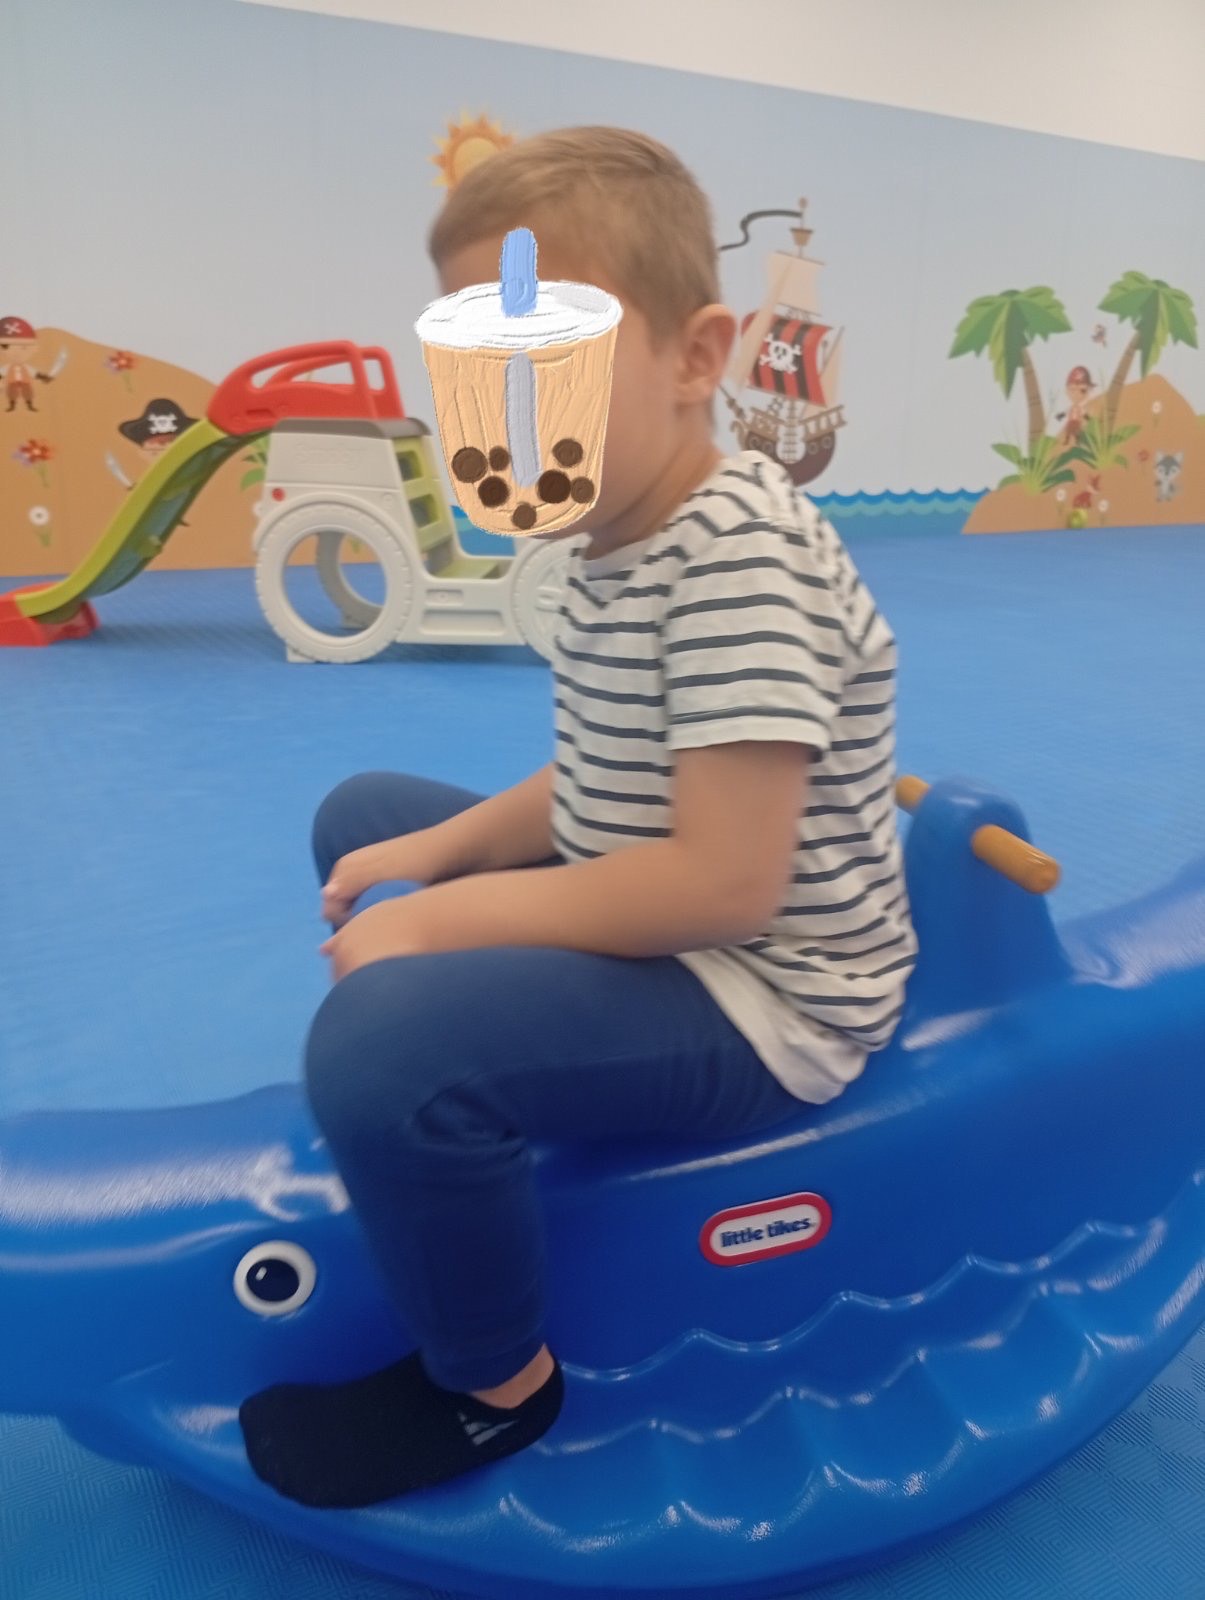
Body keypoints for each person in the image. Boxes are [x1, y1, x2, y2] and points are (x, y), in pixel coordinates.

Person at [239, 127, 916, 1510]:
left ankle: (493, 1387)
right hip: (663, 905)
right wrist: (437, 856)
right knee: (365, 817)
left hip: (761, 991)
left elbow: (722, 884)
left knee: (382, 1050)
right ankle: (468, 1123)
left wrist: (443, 926)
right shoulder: (618, 535)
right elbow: (611, 771)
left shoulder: (737, 555)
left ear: (694, 356)